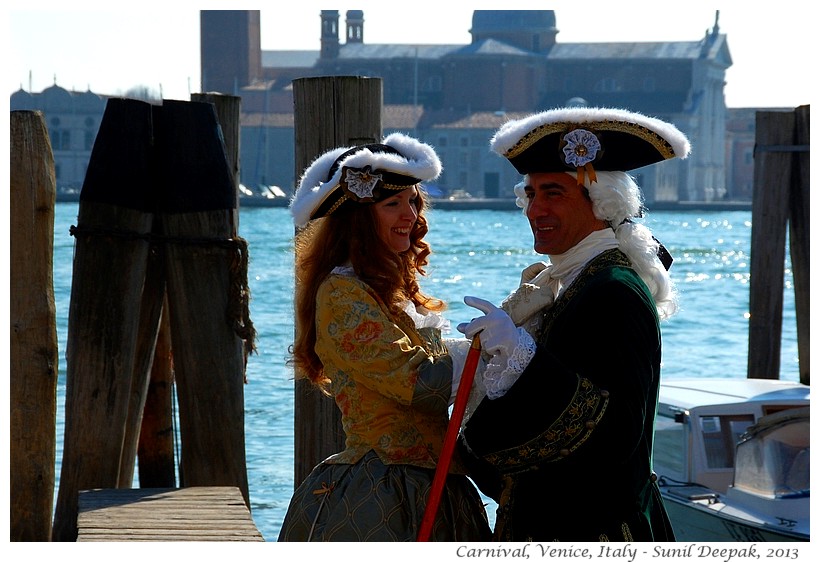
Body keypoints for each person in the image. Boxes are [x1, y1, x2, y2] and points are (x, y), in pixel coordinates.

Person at [456, 106, 690, 542]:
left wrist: (522, 359)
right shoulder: (575, 280)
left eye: (553, 194)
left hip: (595, 529)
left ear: (601, 204)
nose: (534, 209)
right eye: (530, 194)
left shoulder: (613, 289)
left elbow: (617, 430)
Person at [278, 132, 492, 542]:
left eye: (413, 201)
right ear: (358, 219)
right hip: (382, 494)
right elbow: (419, 383)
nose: (409, 215)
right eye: (392, 204)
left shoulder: (389, 292)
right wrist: (483, 351)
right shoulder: (341, 293)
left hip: (438, 487)